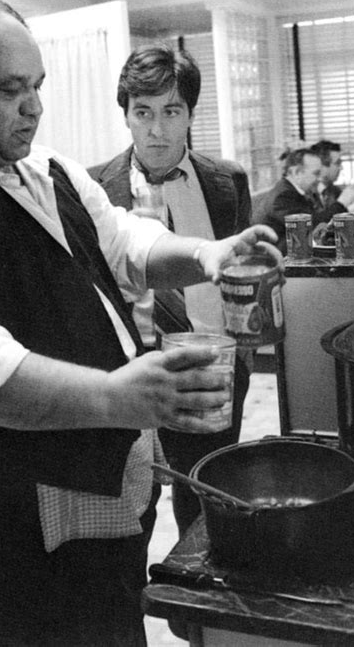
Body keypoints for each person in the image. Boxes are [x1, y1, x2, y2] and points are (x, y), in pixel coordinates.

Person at [0, 0, 280, 647]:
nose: (34, 106)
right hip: (11, 519)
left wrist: (205, 253)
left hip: (94, 492)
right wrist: (116, 395)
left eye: (38, 87)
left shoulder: (45, 171)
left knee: (110, 614)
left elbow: (126, 242)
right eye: (10, 89)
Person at [89, 43, 253, 536]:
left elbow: (238, 273)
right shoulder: (93, 188)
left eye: (171, 111)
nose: (156, 129)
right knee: (132, 512)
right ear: (126, 116)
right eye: (143, 112)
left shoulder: (227, 181)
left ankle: (193, 613)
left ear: (190, 115)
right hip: (129, 373)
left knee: (204, 506)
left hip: (210, 368)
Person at [252, 146, 323, 254]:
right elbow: (312, 226)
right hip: (273, 261)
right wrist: (341, 203)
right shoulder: (283, 196)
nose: (319, 179)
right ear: (297, 172)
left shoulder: (291, 191)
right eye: (316, 174)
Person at [309, 139, 354, 215]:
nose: (341, 168)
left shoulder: (334, 190)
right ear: (322, 166)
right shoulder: (307, 192)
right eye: (337, 163)